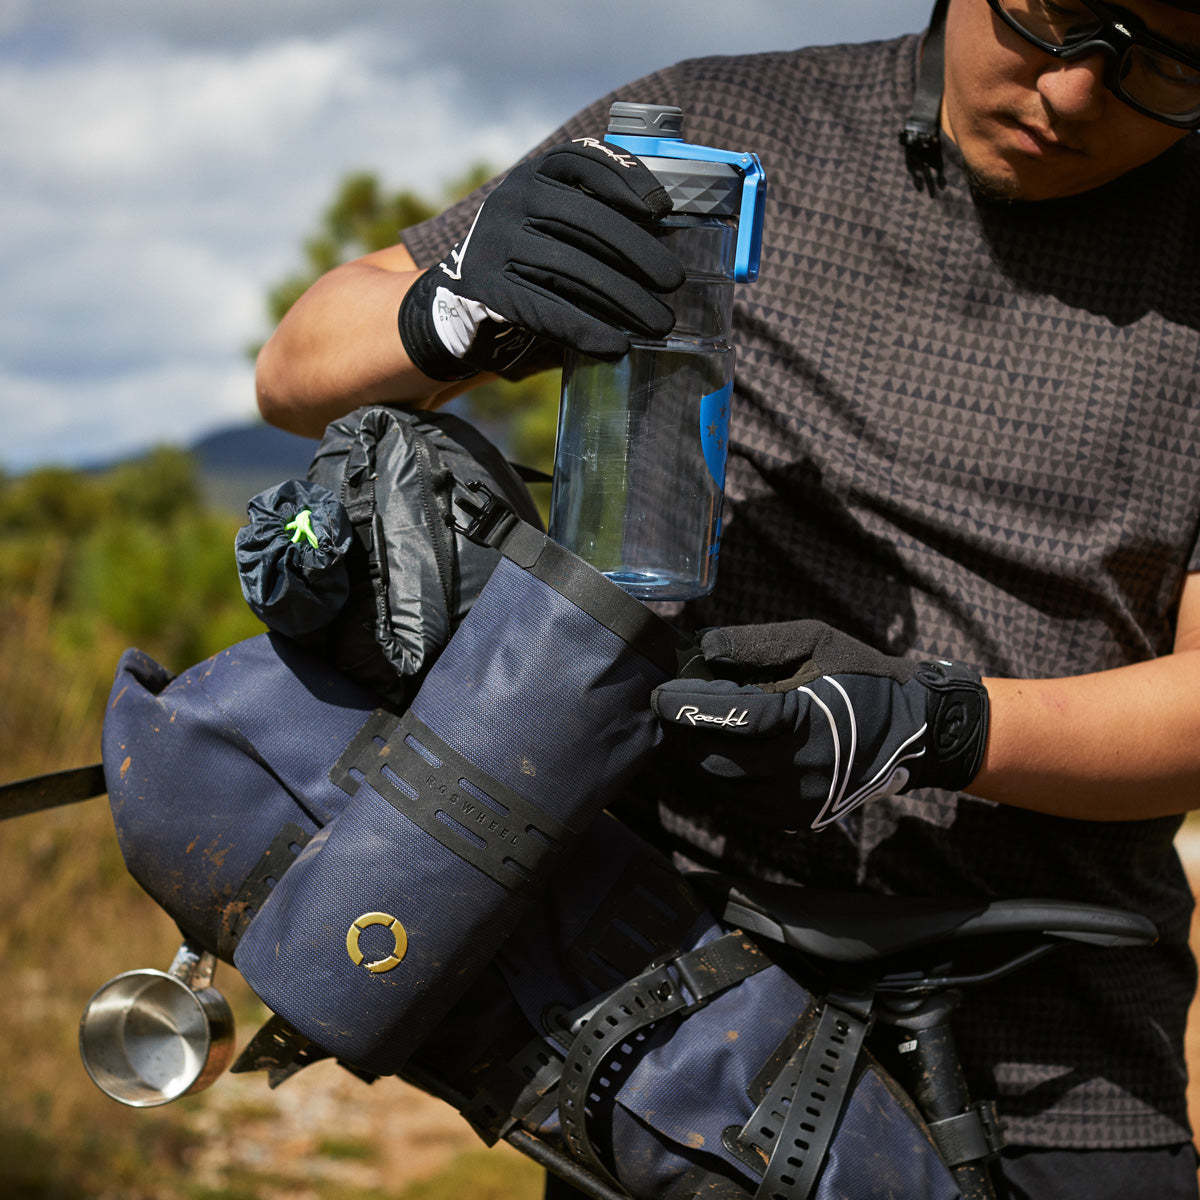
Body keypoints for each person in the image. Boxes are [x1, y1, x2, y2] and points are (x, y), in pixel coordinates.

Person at [254, 0, 1200, 1195]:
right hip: (670, 1047)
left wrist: (931, 726)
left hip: (1058, 1078)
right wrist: (453, 305)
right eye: (1055, 17)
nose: (1074, 95)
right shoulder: (722, 130)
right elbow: (297, 374)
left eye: (1165, 64)